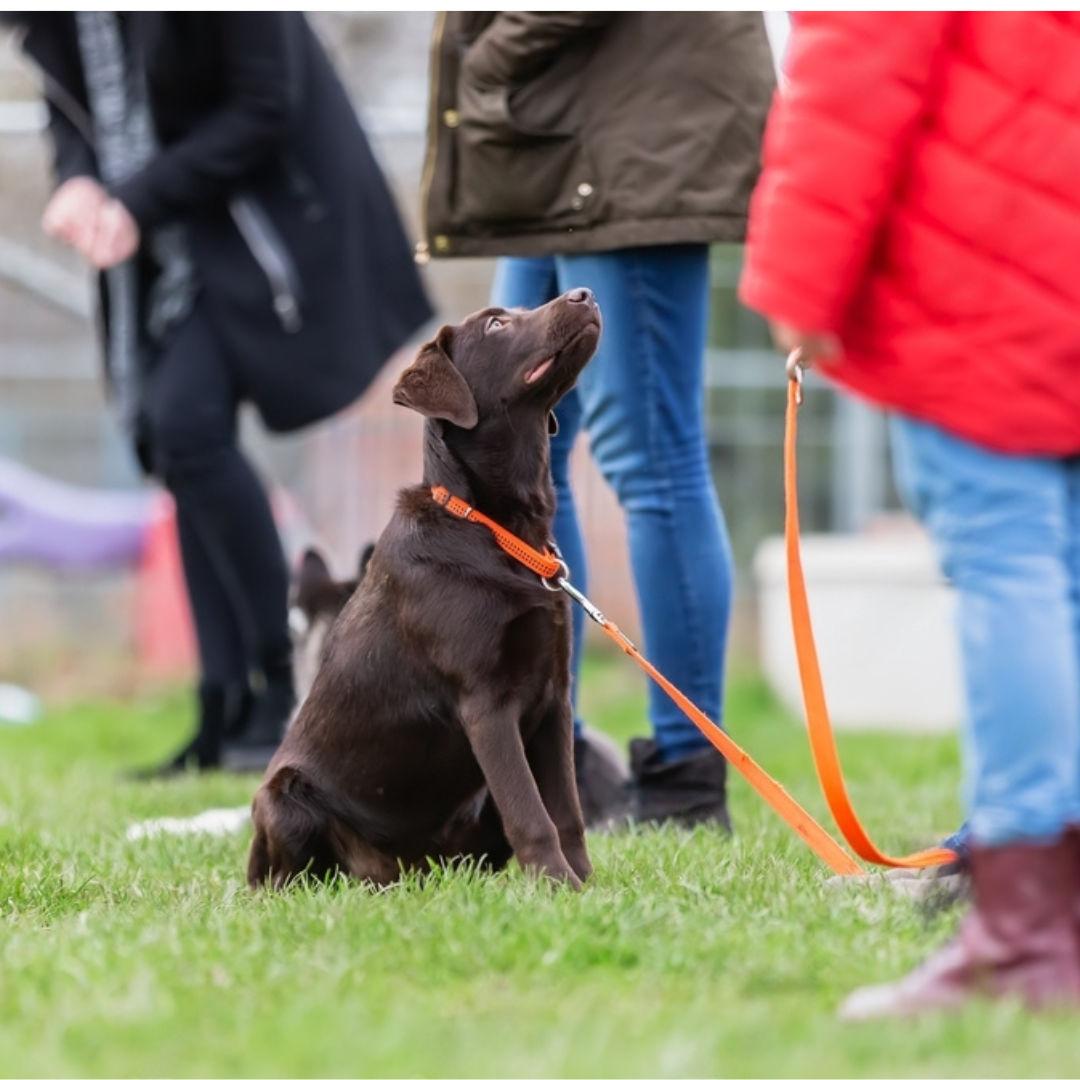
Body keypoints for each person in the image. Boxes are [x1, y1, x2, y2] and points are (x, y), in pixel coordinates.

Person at [739, 12, 1080, 1017]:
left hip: (987, 258)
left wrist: (798, 283)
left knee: (1009, 563)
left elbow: (856, 69)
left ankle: (1025, 929)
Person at [9, 13, 433, 775]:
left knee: (187, 427)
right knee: (177, 446)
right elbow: (70, 105)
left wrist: (131, 201)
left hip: (262, 230)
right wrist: (77, 178)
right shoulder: (60, 18)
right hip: (164, 252)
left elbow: (265, 105)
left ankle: (278, 685)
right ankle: (224, 708)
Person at [419, 13, 776, 827]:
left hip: (629, 139)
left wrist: (491, 55)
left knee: (652, 459)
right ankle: (561, 749)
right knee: (527, 448)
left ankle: (684, 780)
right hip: (561, 138)